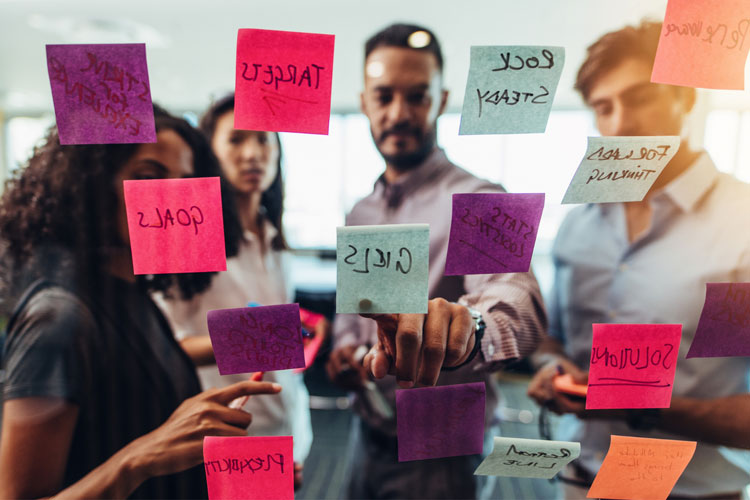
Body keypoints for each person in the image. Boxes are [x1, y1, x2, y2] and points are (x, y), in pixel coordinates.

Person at [0, 106, 282, 499]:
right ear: (93, 185)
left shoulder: (136, 296)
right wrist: (138, 458)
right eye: (148, 177)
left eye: (185, 181)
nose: (172, 196)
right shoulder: (60, 318)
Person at [527, 20, 750, 499]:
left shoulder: (742, 227)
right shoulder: (579, 226)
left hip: (691, 492)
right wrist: (551, 368)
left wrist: (637, 404)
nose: (620, 124)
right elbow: (555, 340)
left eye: (640, 97)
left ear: (685, 97)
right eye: (603, 108)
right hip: (581, 482)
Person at [326, 23, 547, 500]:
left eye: (417, 96)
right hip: (366, 432)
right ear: (364, 101)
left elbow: (520, 299)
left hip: (444, 447)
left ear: (442, 100)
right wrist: (346, 349)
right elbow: (354, 315)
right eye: (383, 96)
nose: (399, 113)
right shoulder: (359, 211)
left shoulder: (482, 198)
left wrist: (472, 329)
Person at [153, 94, 317, 487]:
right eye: (236, 140)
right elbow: (160, 347)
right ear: (210, 152)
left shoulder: (274, 238)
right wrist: (254, 335)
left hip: (287, 428)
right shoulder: (188, 240)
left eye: (263, 140)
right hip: (221, 442)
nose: (252, 154)